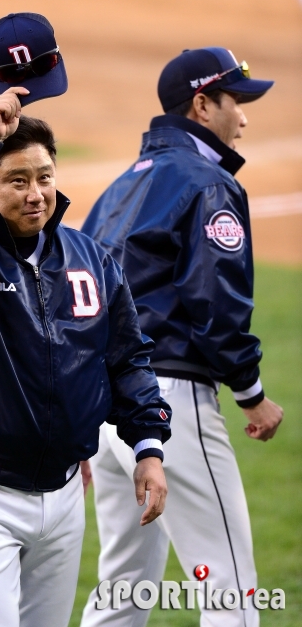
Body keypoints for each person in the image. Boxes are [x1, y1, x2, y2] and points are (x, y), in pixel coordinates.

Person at [0, 85, 172, 627]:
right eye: (16, 180)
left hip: (65, 493)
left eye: (44, 177)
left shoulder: (91, 258)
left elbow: (125, 358)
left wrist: (148, 445)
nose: (35, 193)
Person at [79, 47, 284, 627]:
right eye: (235, 102)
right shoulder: (207, 182)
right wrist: (252, 394)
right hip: (170, 405)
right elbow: (215, 305)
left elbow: (78, 305)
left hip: (107, 409)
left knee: (124, 589)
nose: (243, 117)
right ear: (202, 104)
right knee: (228, 586)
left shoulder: (120, 186)